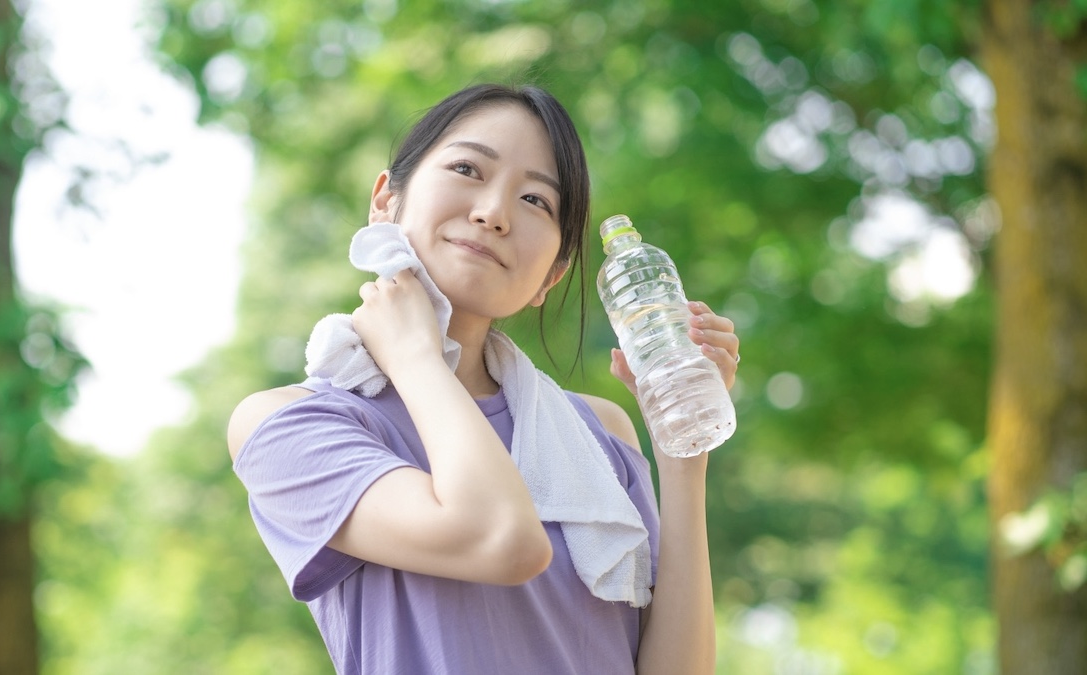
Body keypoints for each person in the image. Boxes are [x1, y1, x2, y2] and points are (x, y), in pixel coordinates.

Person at [227, 83, 740, 675]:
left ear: (553, 275)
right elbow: (502, 541)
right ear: (385, 202)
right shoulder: (291, 424)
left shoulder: (600, 431)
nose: (493, 213)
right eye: (468, 168)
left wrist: (682, 448)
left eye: (535, 201)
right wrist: (414, 358)